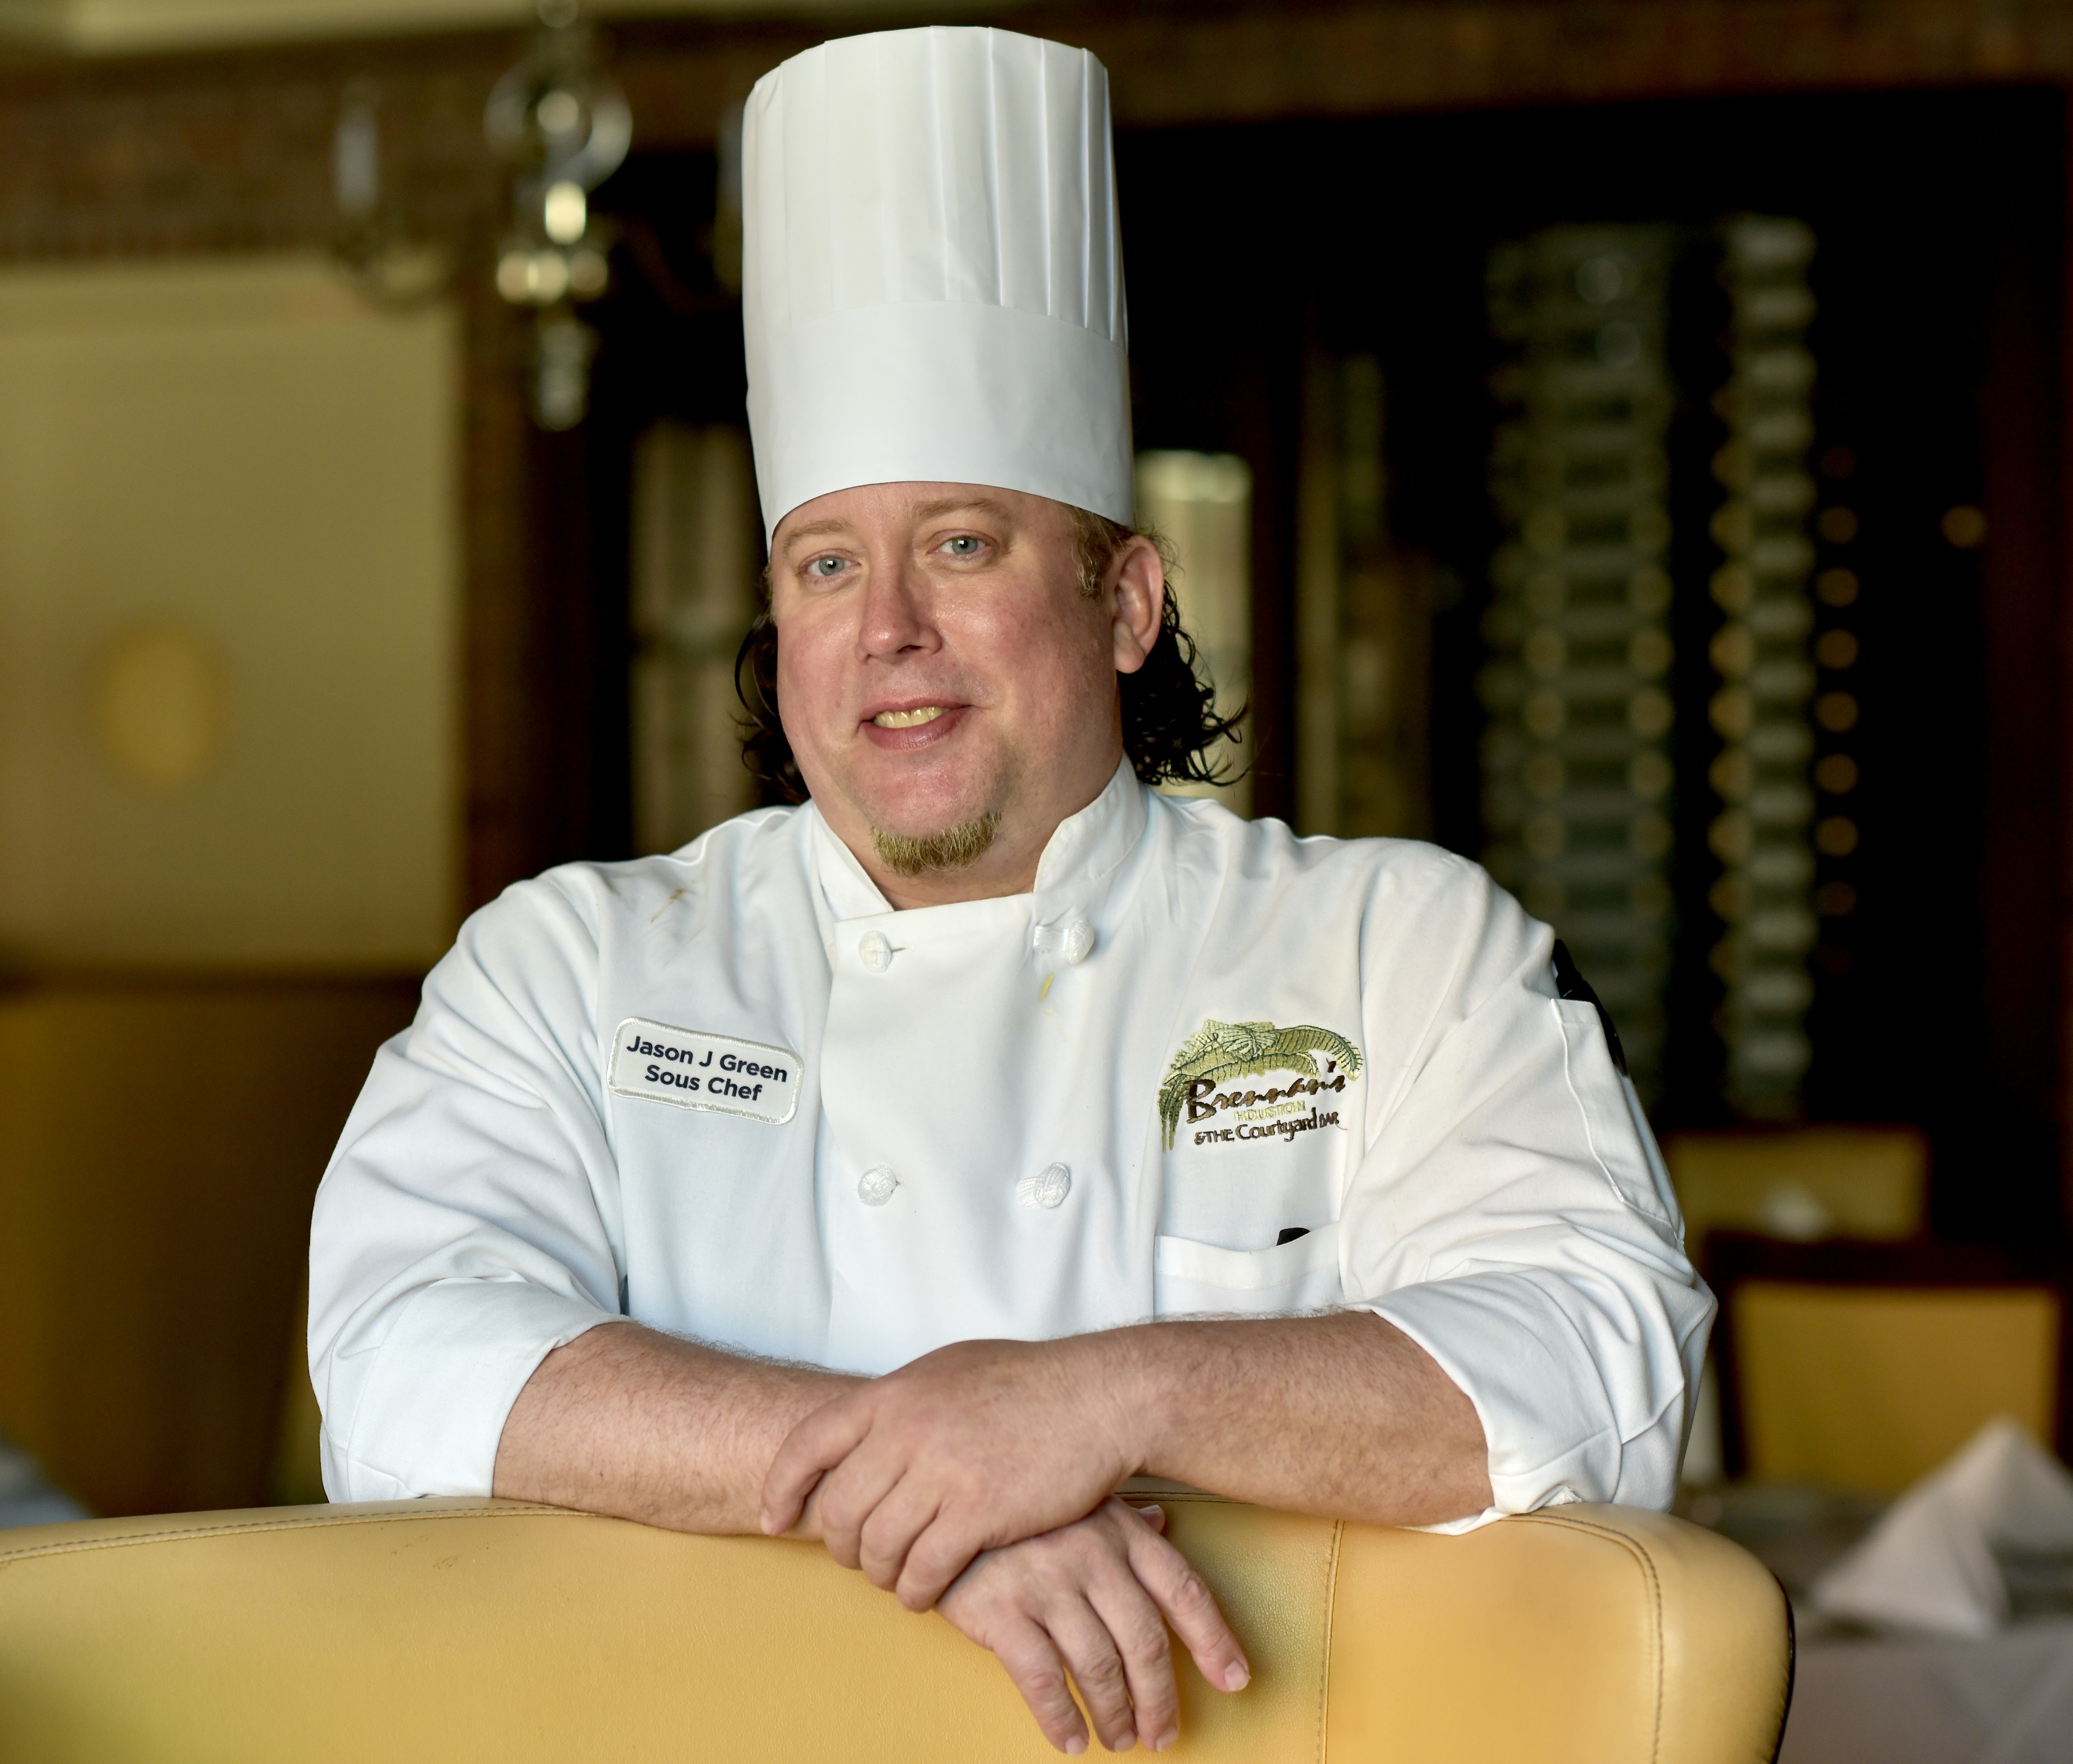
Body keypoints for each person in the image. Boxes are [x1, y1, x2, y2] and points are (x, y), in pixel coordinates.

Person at [309, 26, 1711, 1757]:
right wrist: (906, 1482)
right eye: (827, 563)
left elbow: (1604, 1358)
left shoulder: (1397, 945)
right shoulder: (570, 965)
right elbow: (398, 1352)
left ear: (1126, 601)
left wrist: (1103, 1399)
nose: (886, 624)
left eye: (961, 543)